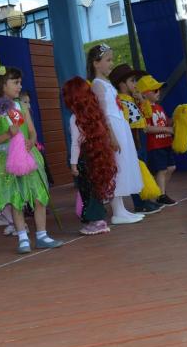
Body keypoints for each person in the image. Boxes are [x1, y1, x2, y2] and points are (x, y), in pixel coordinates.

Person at [0, 66, 62, 254]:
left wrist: (31, 141)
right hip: (8, 159)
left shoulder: (22, 106)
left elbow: (32, 131)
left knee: (39, 195)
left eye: (20, 82)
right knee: (16, 199)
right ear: (3, 85)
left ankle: (42, 235)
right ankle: (23, 238)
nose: (19, 86)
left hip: (27, 157)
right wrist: (7, 136)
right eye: (15, 82)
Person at [87, 44, 144, 224]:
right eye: (108, 60)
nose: (111, 63)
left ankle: (122, 209)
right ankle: (117, 212)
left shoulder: (106, 83)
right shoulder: (97, 84)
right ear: (96, 63)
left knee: (122, 165)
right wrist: (111, 135)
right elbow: (103, 113)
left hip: (120, 124)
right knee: (116, 167)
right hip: (113, 128)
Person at [62, 77, 117, 235]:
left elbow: (75, 143)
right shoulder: (96, 114)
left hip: (84, 158)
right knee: (96, 188)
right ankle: (97, 219)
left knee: (87, 190)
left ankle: (97, 221)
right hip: (97, 155)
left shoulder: (75, 119)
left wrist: (73, 164)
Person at [109, 64, 163, 215]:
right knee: (135, 169)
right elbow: (124, 122)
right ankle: (139, 203)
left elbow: (147, 115)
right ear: (122, 84)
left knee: (142, 168)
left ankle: (145, 199)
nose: (135, 84)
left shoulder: (132, 99)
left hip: (140, 137)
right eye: (132, 81)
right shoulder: (120, 101)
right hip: (132, 138)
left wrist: (142, 100)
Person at [137, 74, 178, 206]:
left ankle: (159, 192)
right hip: (155, 145)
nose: (158, 92)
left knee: (171, 167)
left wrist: (177, 118)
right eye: (155, 90)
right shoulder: (144, 109)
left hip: (166, 143)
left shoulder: (159, 107)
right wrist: (167, 130)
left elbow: (165, 122)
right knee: (162, 170)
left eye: (159, 90)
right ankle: (161, 195)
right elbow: (147, 128)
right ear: (145, 93)